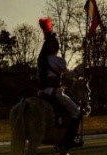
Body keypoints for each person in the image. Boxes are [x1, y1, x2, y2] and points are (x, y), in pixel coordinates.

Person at [36, 17, 86, 148]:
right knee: (77, 112)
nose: (55, 46)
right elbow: (69, 76)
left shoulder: (41, 60)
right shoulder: (57, 60)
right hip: (55, 93)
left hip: (41, 92)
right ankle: (69, 140)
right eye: (54, 44)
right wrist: (79, 69)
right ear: (53, 46)